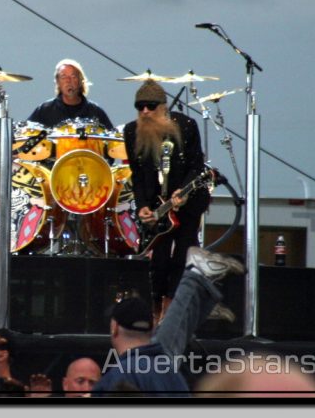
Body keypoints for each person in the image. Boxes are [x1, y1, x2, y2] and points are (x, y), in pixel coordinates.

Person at [92, 246, 244, 396]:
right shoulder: (174, 376)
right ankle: (197, 293)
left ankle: (195, 283)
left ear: (114, 327)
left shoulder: (117, 379)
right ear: (151, 328)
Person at [123, 79, 211, 325]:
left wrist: (183, 192)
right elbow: (137, 175)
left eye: (150, 106)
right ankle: (155, 310)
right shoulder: (131, 131)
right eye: (140, 107)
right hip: (157, 207)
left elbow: (197, 165)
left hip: (186, 201)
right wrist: (143, 205)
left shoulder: (186, 125)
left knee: (183, 256)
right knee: (158, 261)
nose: (145, 112)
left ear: (163, 106)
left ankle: (173, 312)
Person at [28, 58, 114, 129]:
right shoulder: (44, 110)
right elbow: (26, 132)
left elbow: (112, 141)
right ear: (57, 82)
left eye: (73, 76)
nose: (68, 81)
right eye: (63, 77)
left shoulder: (95, 111)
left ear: (81, 81)